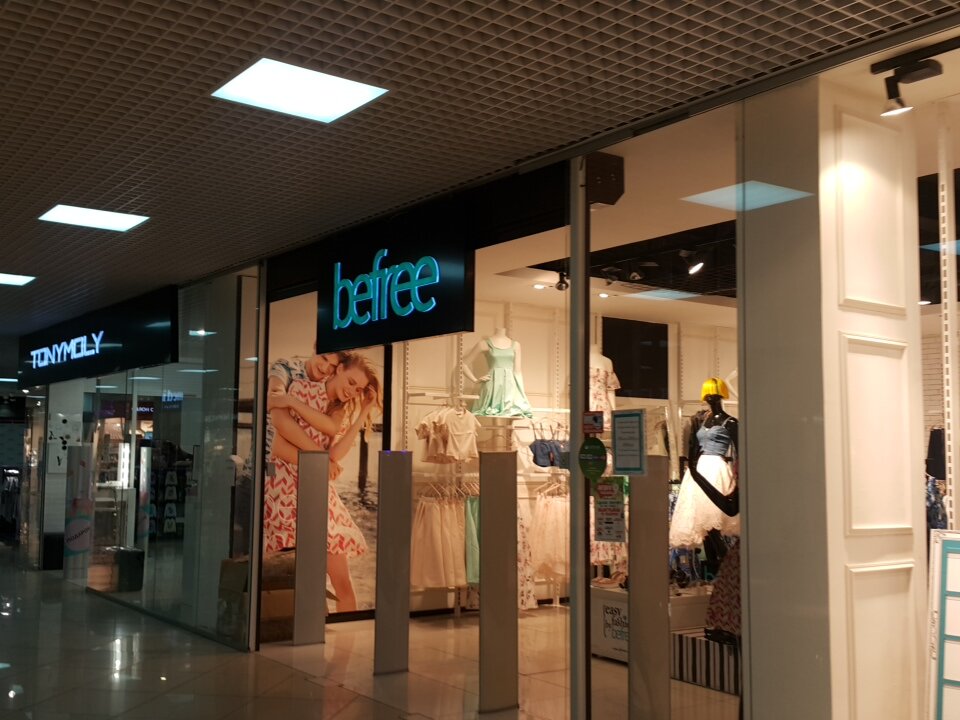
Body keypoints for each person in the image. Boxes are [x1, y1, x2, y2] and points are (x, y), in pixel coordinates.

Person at [265, 351, 383, 612]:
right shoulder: (301, 388)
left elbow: (336, 454)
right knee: (294, 580)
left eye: (359, 389)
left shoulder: (340, 410)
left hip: (319, 492)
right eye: (351, 382)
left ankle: (346, 632)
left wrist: (364, 410)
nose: (352, 391)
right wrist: (322, 460)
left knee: (343, 583)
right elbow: (279, 448)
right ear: (339, 370)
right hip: (287, 493)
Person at [669, 376, 739, 550]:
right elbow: (693, 445)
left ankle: (723, 558)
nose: (710, 397)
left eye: (714, 394)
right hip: (698, 469)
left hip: (716, 469)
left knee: (713, 517)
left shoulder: (730, 422)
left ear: (721, 395)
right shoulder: (702, 420)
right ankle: (714, 561)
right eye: (707, 394)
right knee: (699, 519)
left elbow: (740, 450)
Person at [462, 327, 533, 417]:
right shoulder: (483, 344)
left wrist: (522, 393)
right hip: (492, 384)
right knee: (490, 414)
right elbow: (463, 365)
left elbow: (517, 371)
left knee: (511, 414)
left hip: (510, 386)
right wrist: (475, 380)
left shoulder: (516, 345)